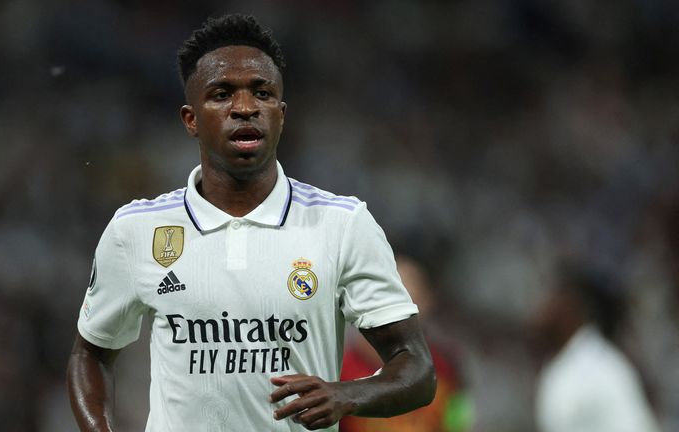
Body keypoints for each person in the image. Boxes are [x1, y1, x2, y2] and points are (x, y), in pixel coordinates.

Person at [66, 14, 436, 432]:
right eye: (222, 94)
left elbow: (418, 368)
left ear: (281, 113)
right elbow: (91, 354)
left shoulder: (342, 224)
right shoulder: (136, 230)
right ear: (190, 119)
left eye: (262, 93)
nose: (244, 108)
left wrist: (346, 395)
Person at [340, 255, 473, 432]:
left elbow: (458, 422)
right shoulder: (339, 371)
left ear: (427, 302)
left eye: (410, 302)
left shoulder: (445, 369)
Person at [533, 262, 661, 432]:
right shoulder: (560, 365)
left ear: (570, 307)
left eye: (551, 297)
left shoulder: (603, 367)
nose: (542, 306)